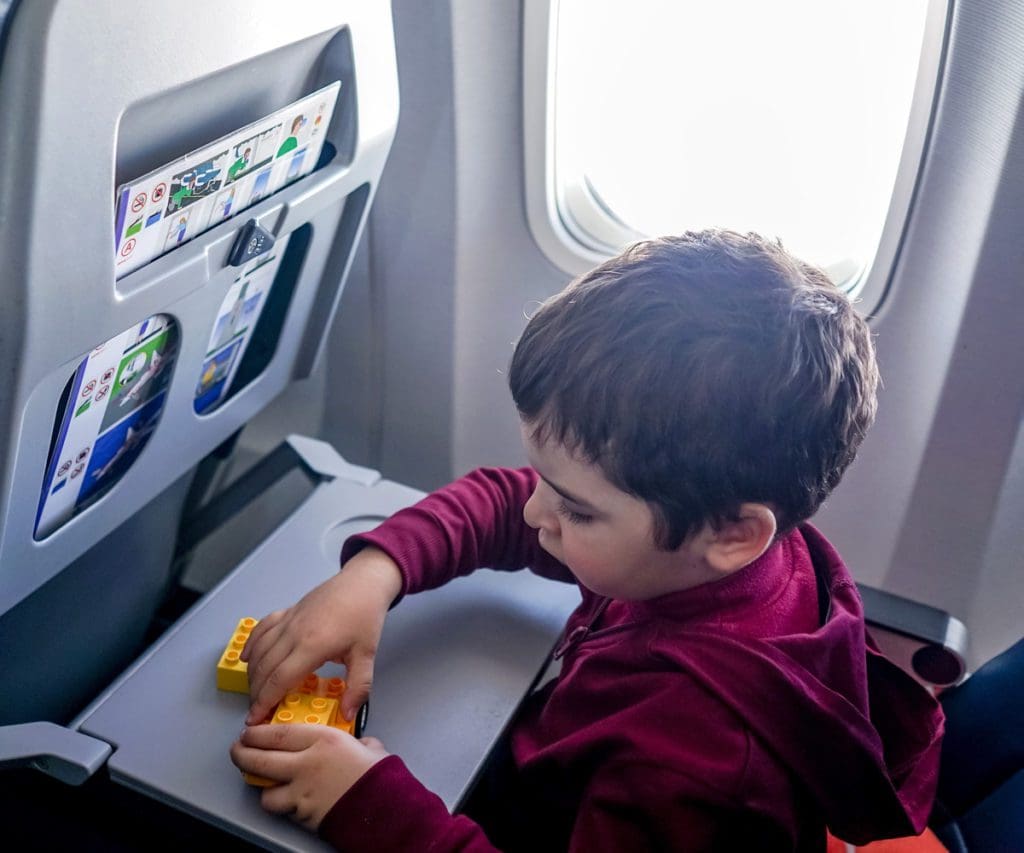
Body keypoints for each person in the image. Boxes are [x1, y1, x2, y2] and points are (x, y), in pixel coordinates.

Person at [230, 230, 944, 851]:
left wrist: (367, 803)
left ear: (732, 532)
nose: (537, 511)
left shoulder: (694, 766)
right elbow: (508, 502)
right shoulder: (716, 558)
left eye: (576, 509)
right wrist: (373, 576)